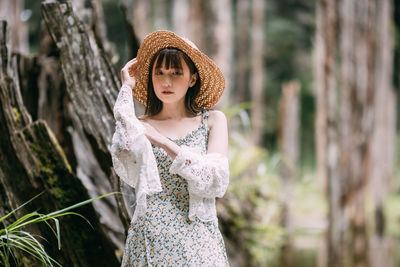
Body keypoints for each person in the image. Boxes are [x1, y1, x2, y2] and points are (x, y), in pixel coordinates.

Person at [111, 30, 230, 266]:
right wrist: (126, 87)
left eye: (176, 73)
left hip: (198, 244)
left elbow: (215, 180)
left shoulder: (213, 121)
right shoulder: (139, 126)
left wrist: (164, 143)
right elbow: (121, 147)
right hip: (150, 242)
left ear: (192, 79)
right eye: (160, 73)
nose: (166, 82)